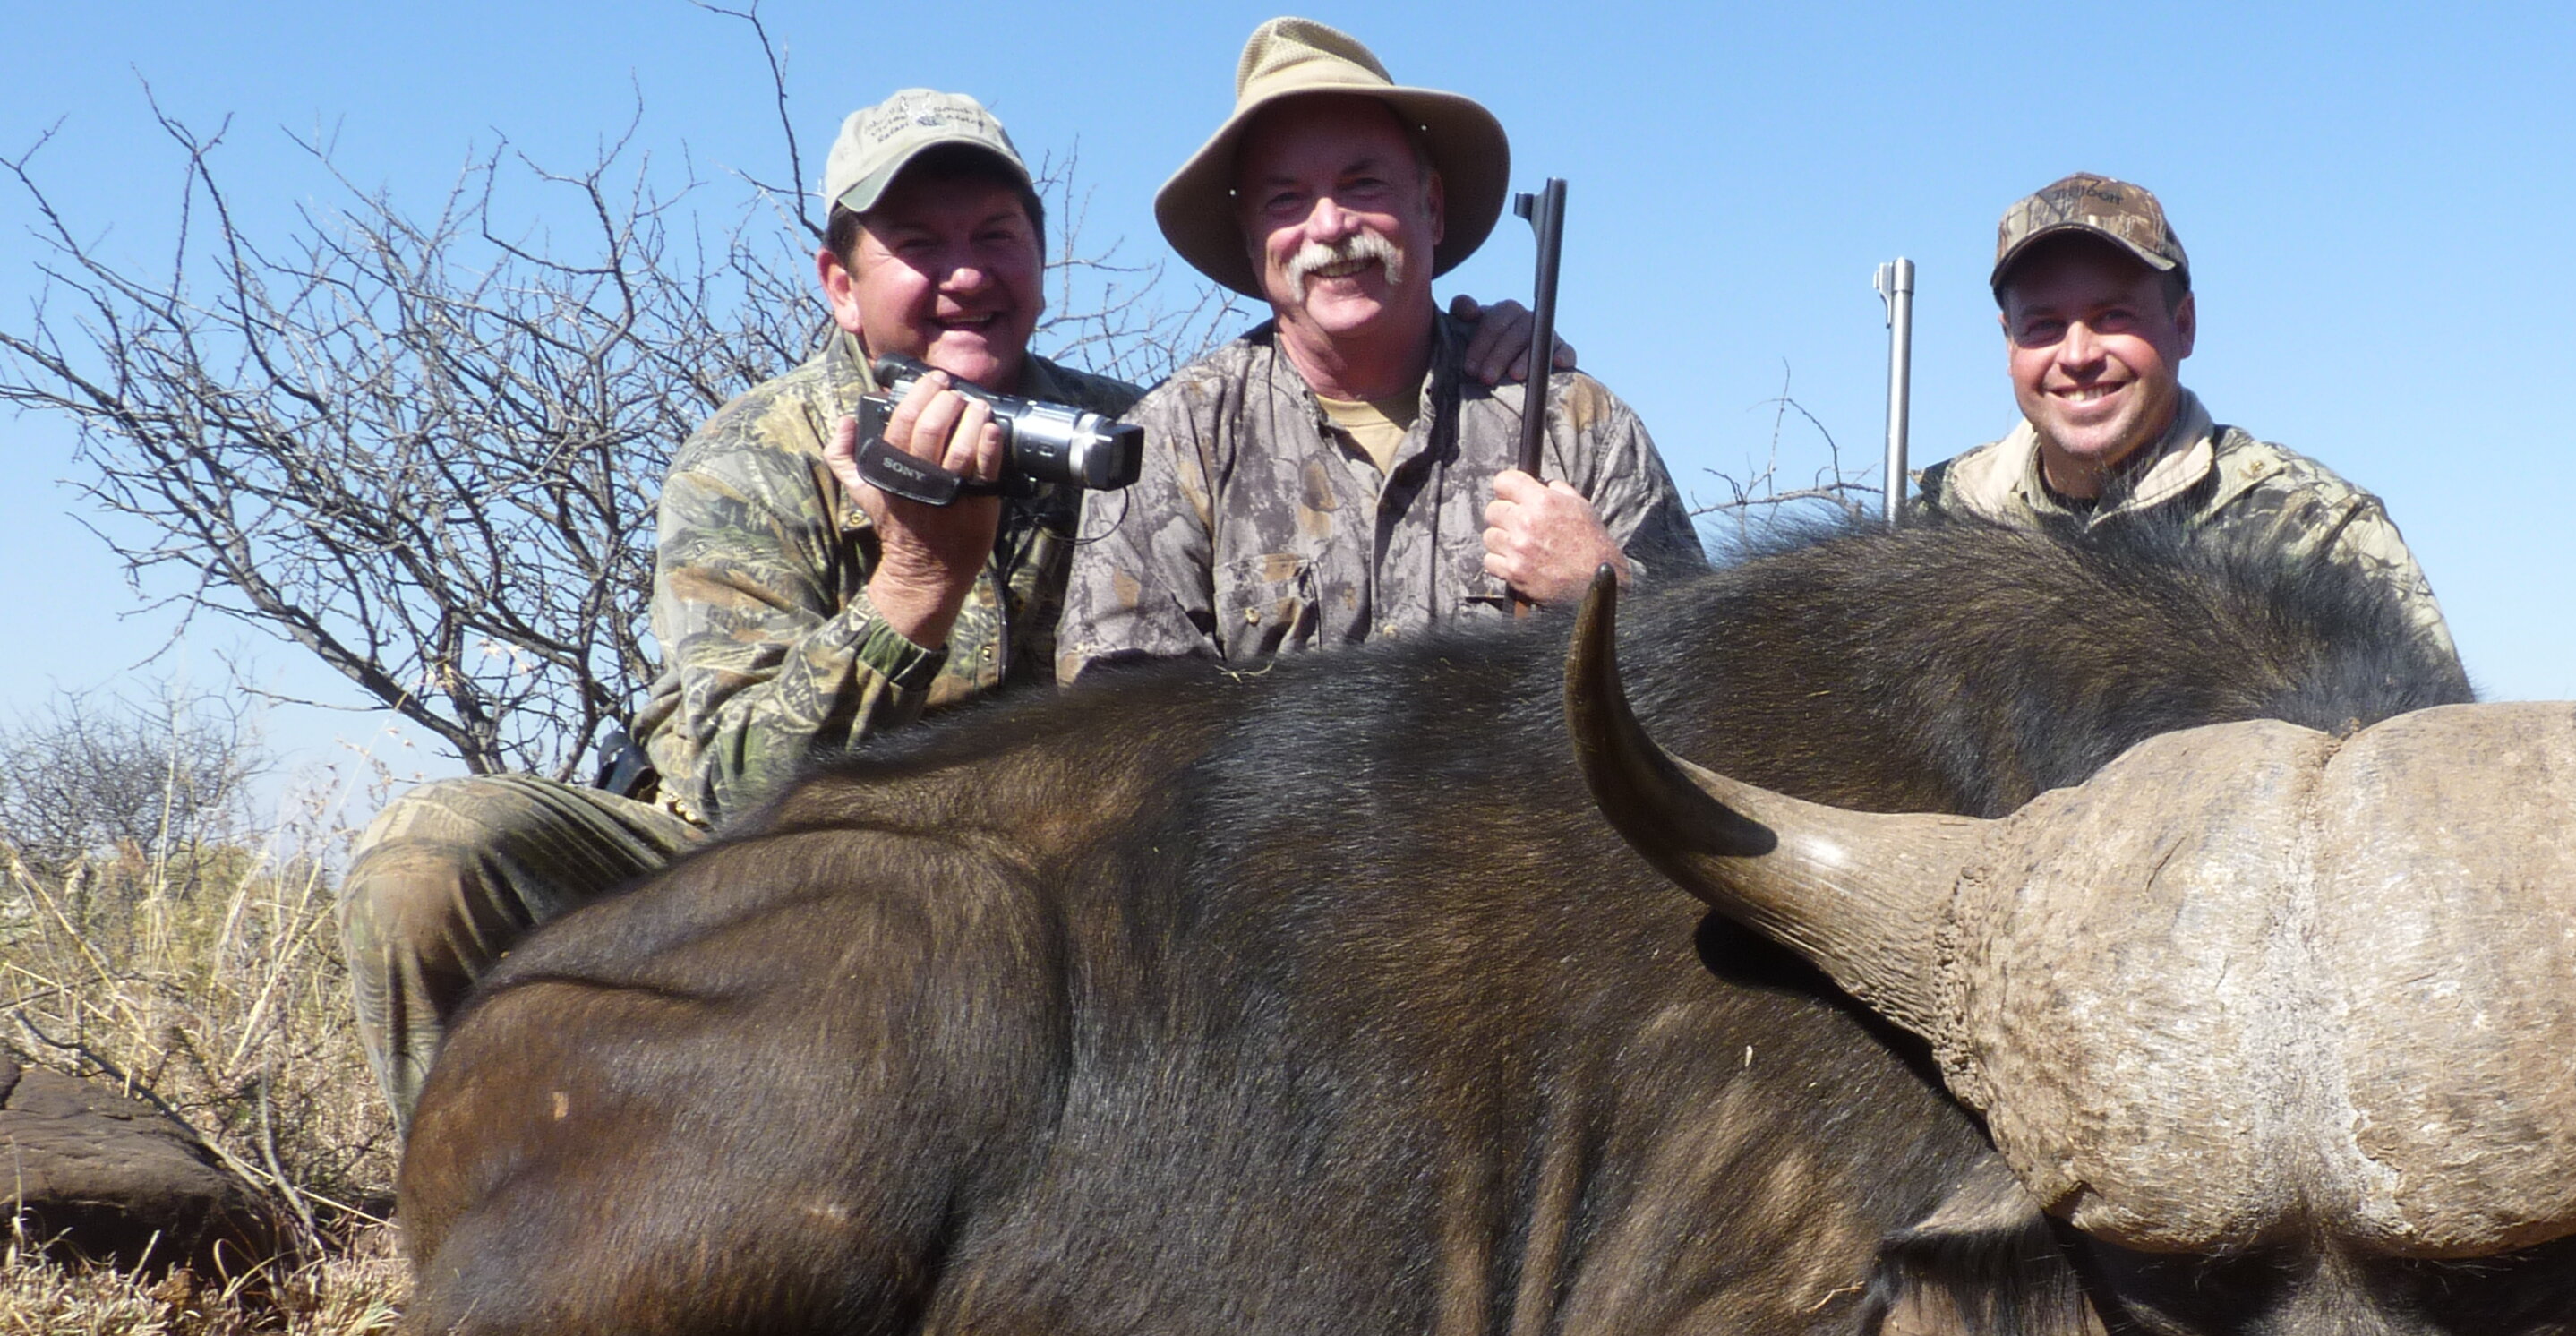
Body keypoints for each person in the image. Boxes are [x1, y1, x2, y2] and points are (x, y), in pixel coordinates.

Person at [334, 85, 1554, 1126]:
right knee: (429, 860)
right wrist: (917, 577)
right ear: (840, 284)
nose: (966, 274)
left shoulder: (1138, 433)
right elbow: (737, 788)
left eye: (996, 235)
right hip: (761, 876)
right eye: (918, 244)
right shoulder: (751, 456)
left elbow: (1310, 442)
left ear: (1039, 257)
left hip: (1020, 897)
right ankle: (472, 1235)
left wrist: (1459, 343)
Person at [1060, 18, 1702, 676]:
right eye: (1286, 199)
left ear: (1432, 207)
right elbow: (1121, 725)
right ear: (1253, 242)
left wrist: (1604, 589)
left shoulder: (1577, 425)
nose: (1331, 225)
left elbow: (1703, 687)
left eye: (1363, 184)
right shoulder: (1172, 441)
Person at [1914, 173, 2461, 681]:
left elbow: (2423, 751)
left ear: (2184, 327)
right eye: (2044, 326)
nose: (2077, 354)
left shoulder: (2320, 528)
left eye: (2113, 318)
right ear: (2009, 344)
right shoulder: (1934, 524)